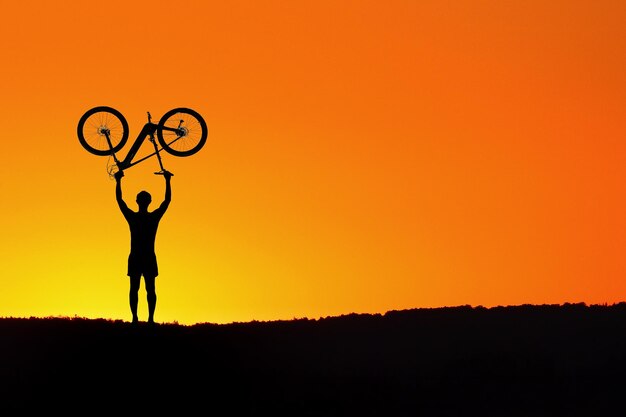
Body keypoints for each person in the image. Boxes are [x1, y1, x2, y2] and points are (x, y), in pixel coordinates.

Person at [114, 169, 172, 324]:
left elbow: (120, 201)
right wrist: (167, 181)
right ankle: (147, 319)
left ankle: (139, 318)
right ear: (149, 201)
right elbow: (166, 202)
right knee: (147, 289)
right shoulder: (152, 218)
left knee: (138, 289)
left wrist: (118, 181)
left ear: (137, 201)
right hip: (145, 257)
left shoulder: (134, 217)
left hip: (139, 257)